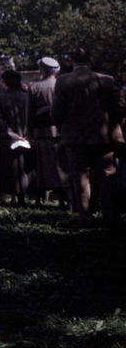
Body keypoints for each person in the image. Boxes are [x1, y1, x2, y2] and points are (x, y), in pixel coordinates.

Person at [52, 48, 123, 226]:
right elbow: (120, 107)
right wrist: (112, 125)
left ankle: (85, 218)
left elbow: (56, 111)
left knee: (80, 177)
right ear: (89, 60)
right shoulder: (106, 80)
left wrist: (63, 126)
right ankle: (111, 218)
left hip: (75, 137)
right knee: (107, 176)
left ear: (71, 61)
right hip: (103, 136)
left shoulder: (63, 81)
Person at [28, 57, 69, 205]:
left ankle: (43, 199)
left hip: (42, 132)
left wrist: (30, 132)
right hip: (61, 132)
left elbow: (30, 112)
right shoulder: (63, 84)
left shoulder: (33, 86)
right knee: (63, 167)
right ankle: (64, 200)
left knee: (45, 168)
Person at [0, 70, 33, 206]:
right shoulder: (28, 97)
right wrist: (26, 135)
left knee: (9, 168)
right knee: (25, 167)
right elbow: (33, 118)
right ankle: (25, 196)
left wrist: (13, 136)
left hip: (8, 139)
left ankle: (13, 197)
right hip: (27, 137)